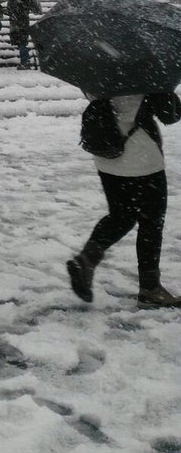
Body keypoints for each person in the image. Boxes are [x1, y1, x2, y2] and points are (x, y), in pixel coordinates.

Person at [67, 92, 181, 309]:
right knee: (151, 222)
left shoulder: (97, 75)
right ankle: (150, 288)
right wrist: (166, 90)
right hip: (143, 156)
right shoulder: (146, 76)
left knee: (122, 216)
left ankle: (86, 260)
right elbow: (169, 114)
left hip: (107, 150)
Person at [5, 0, 35, 69]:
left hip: (17, 24)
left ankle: (25, 62)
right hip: (24, 23)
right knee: (23, 43)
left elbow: (9, 9)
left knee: (21, 43)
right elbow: (28, 9)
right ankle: (26, 60)